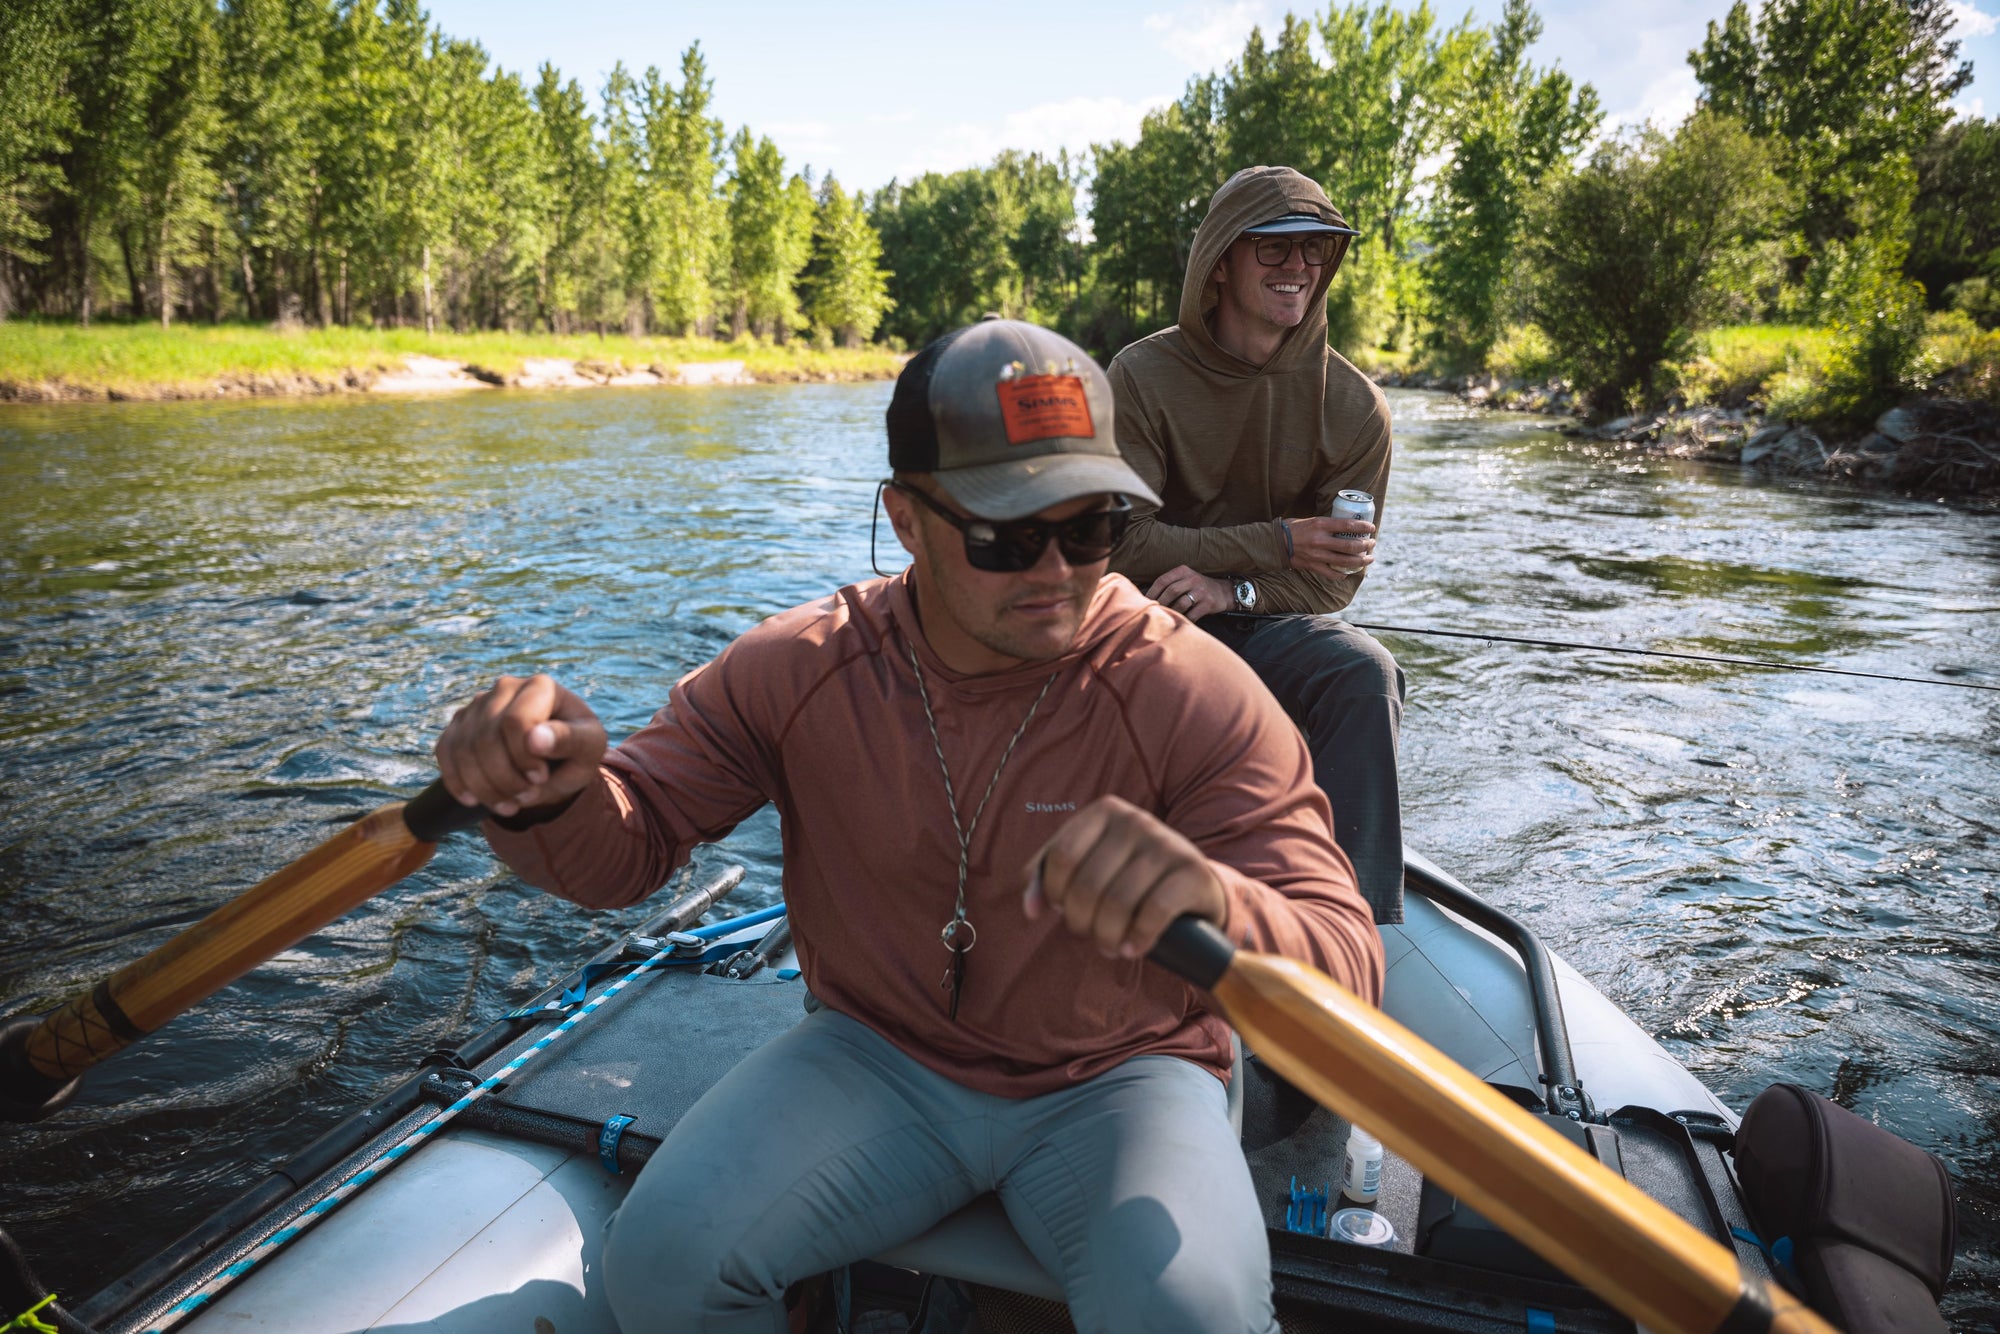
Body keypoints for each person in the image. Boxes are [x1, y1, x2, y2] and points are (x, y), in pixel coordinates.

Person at [433, 318, 1383, 1334]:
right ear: (907, 515)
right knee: (663, 1266)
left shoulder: (1191, 688)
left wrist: (1221, 904)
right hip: (874, 1053)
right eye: (1005, 535)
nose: (1056, 569)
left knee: (1189, 1314)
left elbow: (1345, 959)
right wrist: (546, 793)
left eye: (1091, 527)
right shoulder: (794, 668)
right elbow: (628, 843)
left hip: (1123, 1079)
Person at [1107, 165, 1407, 925]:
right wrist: (1276, 541)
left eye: (1317, 250)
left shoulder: (1355, 407)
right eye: (1275, 248)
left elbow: (1335, 583)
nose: (1299, 266)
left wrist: (1231, 590)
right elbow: (1122, 546)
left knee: (1365, 671)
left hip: (1264, 621)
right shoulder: (1139, 377)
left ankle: (1348, 925)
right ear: (1222, 261)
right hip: (1145, 622)